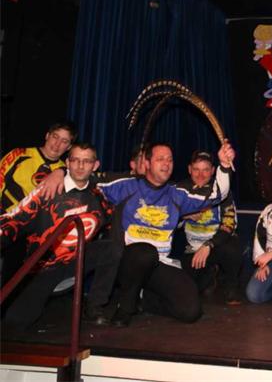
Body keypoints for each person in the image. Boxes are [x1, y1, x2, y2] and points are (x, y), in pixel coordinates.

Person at [97, 141, 235, 327]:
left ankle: (144, 300)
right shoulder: (126, 185)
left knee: (191, 311)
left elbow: (216, 195)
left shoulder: (177, 194)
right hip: (127, 261)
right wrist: (60, 173)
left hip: (159, 262)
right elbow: (88, 179)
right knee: (144, 252)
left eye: (169, 160)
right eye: (160, 159)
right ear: (147, 163)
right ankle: (126, 307)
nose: (166, 163)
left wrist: (224, 166)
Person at [0, 143, 116, 329]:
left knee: (112, 248)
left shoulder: (98, 194)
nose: (80, 166)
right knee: (16, 322)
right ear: (67, 163)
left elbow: (111, 218)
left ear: (95, 165)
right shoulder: (48, 189)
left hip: (76, 260)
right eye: (75, 160)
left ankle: (95, 307)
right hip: (44, 266)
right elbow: (13, 219)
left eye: (86, 161)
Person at [177, 151, 243, 305]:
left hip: (216, 246)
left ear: (213, 170)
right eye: (196, 169)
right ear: (189, 169)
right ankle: (210, 275)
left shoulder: (222, 191)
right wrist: (184, 216)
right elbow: (166, 221)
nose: (200, 175)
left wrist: (209, 244)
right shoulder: (180, 190)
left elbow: (229, 225)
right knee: (188, 292)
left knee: (232, 248)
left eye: (206, 170)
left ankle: (231, 286)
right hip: (193, 250)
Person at [0, 121, 77, 212]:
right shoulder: (19, 154)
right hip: (5, 215)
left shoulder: (67, 173)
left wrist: (63, 171)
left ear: (69, 147)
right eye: (55, 137)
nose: (57, 144)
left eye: (64, 141)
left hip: (35, 219)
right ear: (47, 136)